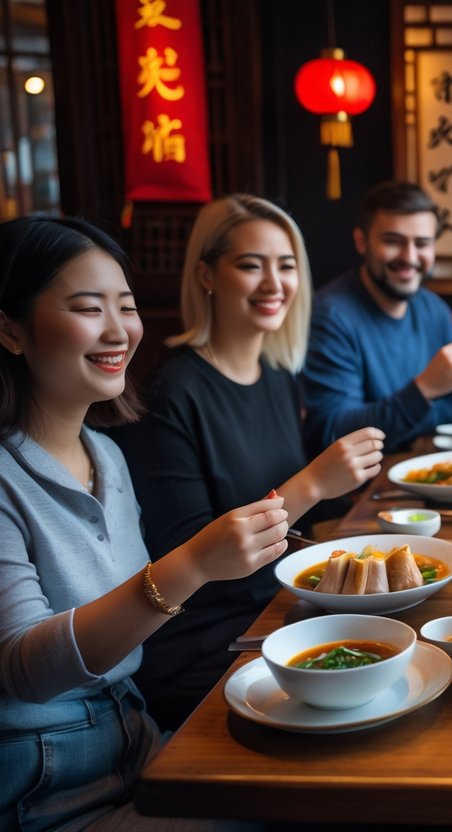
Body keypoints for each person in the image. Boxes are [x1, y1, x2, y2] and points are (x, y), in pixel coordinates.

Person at [0, 215, 282, 830]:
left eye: (124, 306)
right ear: (11, 330)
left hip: (136, 735)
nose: (117, 329)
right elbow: (25, 668)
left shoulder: (108, 455)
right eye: (86, 306)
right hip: (45, 781)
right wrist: (194, 565)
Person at [112, 195, 385, 729]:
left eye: (286, 266)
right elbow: (193, 562)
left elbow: (297, 531)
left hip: (278, 611)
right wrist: (312, 483)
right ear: (206, 274)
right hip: (206, 642)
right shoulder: (172, 392)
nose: (273, 283)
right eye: (250, 265)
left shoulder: (276, 373)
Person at [301, 181, 452, 455]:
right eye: (393, 241)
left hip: (427, 466)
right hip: (362, 490)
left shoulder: (434, 310)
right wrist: (423, 390)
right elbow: (333, 431)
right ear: (362, 242)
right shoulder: (331, 317)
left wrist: (404, 421)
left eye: (422, 243)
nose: (409, 257)